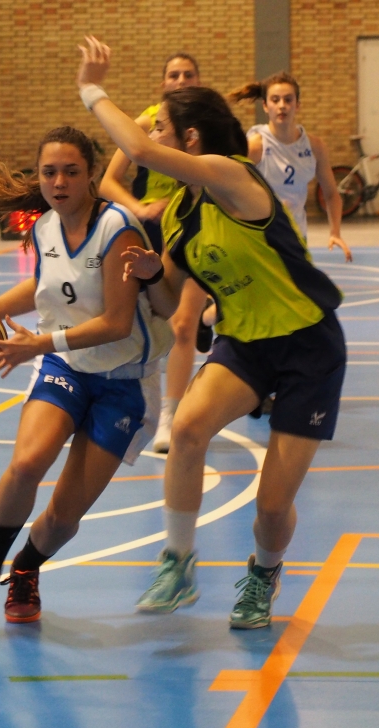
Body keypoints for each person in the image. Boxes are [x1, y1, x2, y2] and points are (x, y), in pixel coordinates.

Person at [77, 37, 347, 629]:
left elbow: (136, 148)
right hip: (246, 345)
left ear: (190, 139)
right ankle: (178, 562)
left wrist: (92, 90)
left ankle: (264, 574)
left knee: (271, 508)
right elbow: (170, 301)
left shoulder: (231, 176)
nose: (154, 139)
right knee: (188, 427)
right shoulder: (181, 211)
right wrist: (150, 277)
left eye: (163, 130)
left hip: (308, 346)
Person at [0, 126, 173, 624]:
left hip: (124, 381)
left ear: (91, 175)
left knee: (65, 516)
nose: (59, 182)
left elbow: (116, 323)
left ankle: (26, 568)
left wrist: (39, 343)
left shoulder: (118, 228)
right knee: (27, 463)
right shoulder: (44, 226)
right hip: (66, 366)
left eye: (71, 171)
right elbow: (42, 288)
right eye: (49, 172)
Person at [98, 52, 214, 453]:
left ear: (199, 81)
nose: (180, 80)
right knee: (151, 322)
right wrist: (142, 208)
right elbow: (108, 182)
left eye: (188, 74)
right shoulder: (147, 124)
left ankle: (170, 414)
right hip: (152, 233)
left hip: (194, 229)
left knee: (181, 325)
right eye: (173, 75)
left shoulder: (206, 128)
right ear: (163, 84)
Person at [229, 72, 352, 261]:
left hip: (296, 236)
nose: (282, 105)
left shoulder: (315, 147)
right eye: (275, 100)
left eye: (288, 100)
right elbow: (232, 190)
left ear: (297, 105)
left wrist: (335, 232)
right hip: (262, 237)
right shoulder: (255, 146)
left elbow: (331, 194)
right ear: (265, 106)